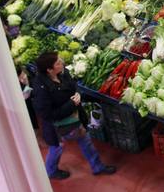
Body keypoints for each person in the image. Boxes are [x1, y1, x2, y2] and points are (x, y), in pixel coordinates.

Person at [29, 51, 115, 180]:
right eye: (58, 62)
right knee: (57, 146)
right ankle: (51, 171)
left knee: (83, 141)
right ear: (49, 70)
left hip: (74, 118)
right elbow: (48, 114)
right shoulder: (41, 89)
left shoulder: (63, 73)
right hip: (57, 126)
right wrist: (71, 104)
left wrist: (78, 94)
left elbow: (73, 85)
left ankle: (97, 167)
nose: (62, 62)